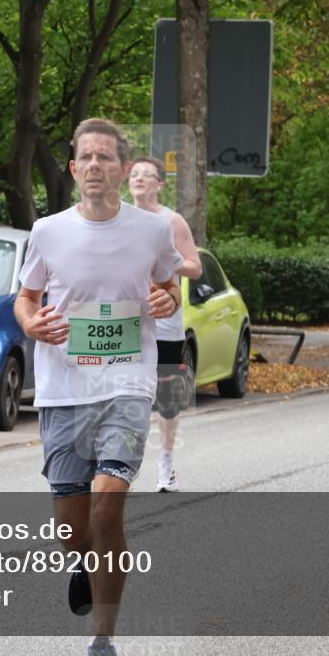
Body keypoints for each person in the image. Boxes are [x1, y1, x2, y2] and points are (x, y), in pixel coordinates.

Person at [15, 118, 183, 656]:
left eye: (104, 157)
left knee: (108, 506)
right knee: (72, 529)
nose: (94, 165)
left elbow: (169, 286)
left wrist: (168, 299)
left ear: (122, 168)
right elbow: (26, 298)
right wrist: (32, 324)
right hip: (64, 389)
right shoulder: (48, 231)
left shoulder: (152, 231)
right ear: (72, 168)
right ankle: (85, 562)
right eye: (85, 157)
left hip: (128, 386)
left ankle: (103, 638)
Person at [127, 156, 202, 492]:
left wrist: (164, 259)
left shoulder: (172, 221)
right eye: (134, 174)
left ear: (160, 183)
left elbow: (195, 267)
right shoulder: (118, 218)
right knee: (127, 395)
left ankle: (167, 464)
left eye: (147, 174)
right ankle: (123, 465)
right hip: (127, 318)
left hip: (165, 322)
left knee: (166, 399)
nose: (139, 178)